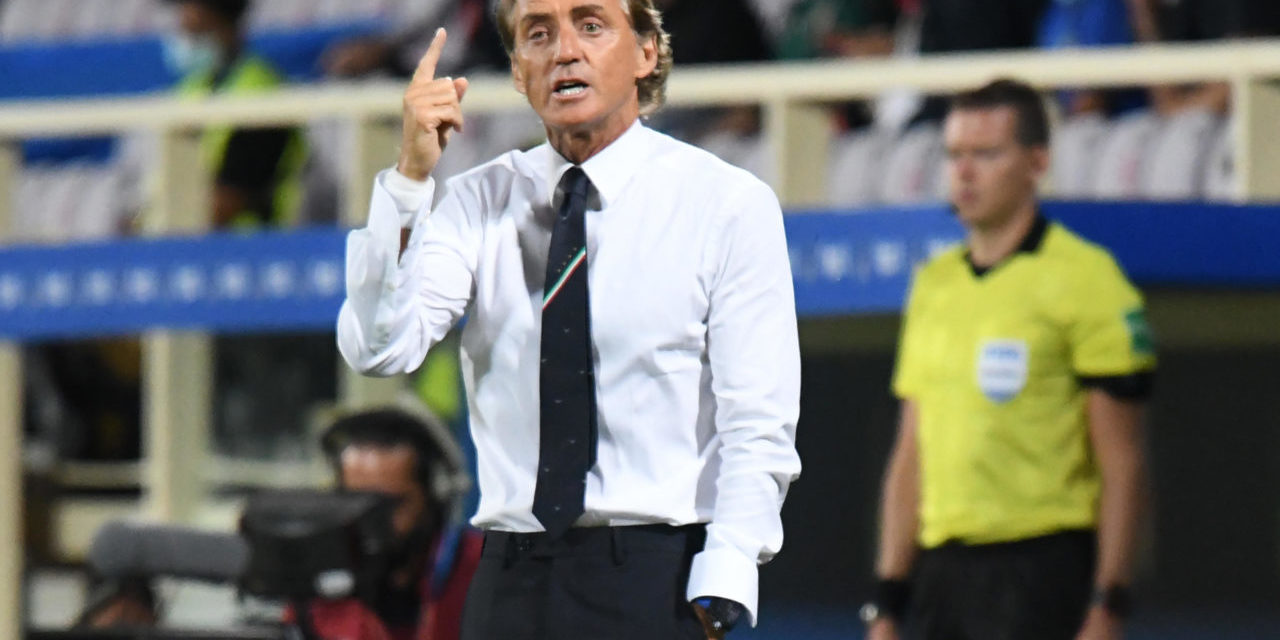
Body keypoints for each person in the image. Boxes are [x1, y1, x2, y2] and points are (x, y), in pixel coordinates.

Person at [335, 0, 802, 636]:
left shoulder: (725, 203)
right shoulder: (476, 200)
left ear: (645, 53)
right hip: (509, 575)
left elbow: (759, 418)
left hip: (658, 574)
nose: (564, 51)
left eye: (590, 25)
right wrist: (411, 181)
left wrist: (730, 563)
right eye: (538, 34)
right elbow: (380, 348)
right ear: (520, 73)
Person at [863, 79, 1156, 640]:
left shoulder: (1089, 280)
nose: (965, 172)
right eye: (955, 155)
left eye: (986, 154)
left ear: (1036, 161)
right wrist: (887, 600)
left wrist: (1109, 602)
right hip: (941, 574)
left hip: (1040, 571)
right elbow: (911, 453)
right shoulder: (934, 285)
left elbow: (1124, 462)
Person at [305, 406, 482, 640]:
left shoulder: (479, 568)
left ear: (435, 495)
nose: (371, 521)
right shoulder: (314, 581)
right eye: (355, 502)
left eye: (388, 504)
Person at [163, 0, 306, 229]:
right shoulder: (193, 87)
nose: (185, 37)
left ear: (226, 26)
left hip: (248, 247)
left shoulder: (261, 88)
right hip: (188, 238)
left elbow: (231, 197)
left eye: (196, 30)